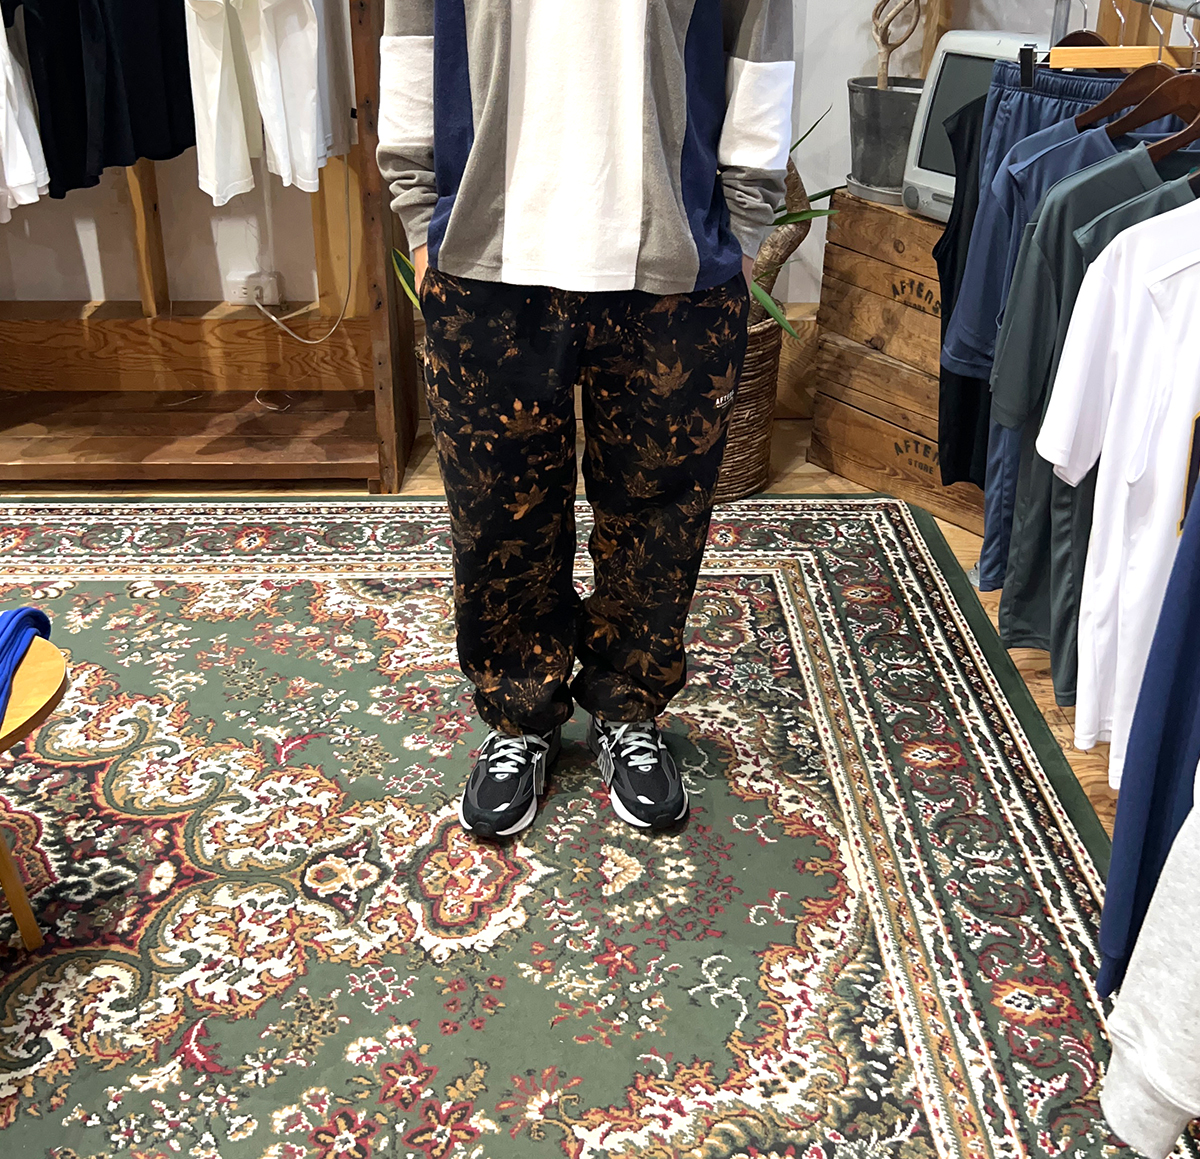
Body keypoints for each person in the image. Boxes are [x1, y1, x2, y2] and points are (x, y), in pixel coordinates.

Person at [378, 0, 795, 839]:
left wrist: (745, 228)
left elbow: (758, 40)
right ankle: (520, 714)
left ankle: (627, 706)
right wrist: (421, 215)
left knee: (660, 516)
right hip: (485, 252)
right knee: (497, 517)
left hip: (672, 257)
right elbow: (413, 34)